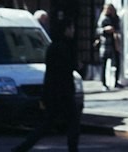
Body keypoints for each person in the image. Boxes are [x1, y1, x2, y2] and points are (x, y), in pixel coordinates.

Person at [13, 14, 81, 152]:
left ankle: (23, 147)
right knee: (73, 123)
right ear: (66, 29)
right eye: (71, 28)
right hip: (64, 92)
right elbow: (68, 67)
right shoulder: (64, 47)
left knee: (46, 124)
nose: (73, 31)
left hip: (52, 91)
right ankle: (73, 149)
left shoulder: (52, 46)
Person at [96, 3, 121, 89]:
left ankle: (116, 82)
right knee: (104, 65)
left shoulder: (115, 18)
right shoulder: (103, 18)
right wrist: (105, 30)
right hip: (105, 44)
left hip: (115, 43)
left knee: (117, 63)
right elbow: (98, 30)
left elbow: (118, 28)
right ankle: (104, 83)